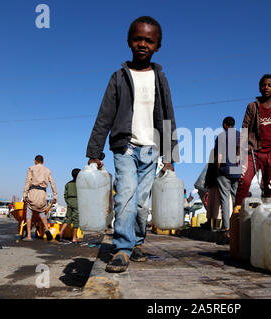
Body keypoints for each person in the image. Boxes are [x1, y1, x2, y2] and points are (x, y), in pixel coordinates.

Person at [85, 16, 179, 273]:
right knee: (125, 195)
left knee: (141, 204)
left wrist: (169, 156)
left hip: (152, 149)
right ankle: (122, 249)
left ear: (157, 46)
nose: (142, 44)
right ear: (129, 41)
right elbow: (104, 115)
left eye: (149, 40)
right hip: (124, 147)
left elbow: (167, 114)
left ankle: (137, 242)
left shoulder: (159, 77)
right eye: (138, 38)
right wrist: (94, 152)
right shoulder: (118, 77)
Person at [235, 74, 271, 207]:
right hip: (253, 152)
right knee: (244, 182)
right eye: (263, 85)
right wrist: (238, 154)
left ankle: (269, 220)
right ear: (259, 88)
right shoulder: (252, 107)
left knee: (270, 188)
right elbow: (244, 130)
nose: (266, 87)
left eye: (270, 85)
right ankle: (237, 219)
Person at [214, 117, 241, 237]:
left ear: (225, 125)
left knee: (225, 199)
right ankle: (238, 226)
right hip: (236, 169)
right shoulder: (240, 136)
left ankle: (227, 228)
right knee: (236, 198)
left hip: (224, 169)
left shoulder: (221, 136)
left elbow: (219, 155)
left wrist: (218, 168)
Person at [22, 155, 57, 241]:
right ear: (43, 162)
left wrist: (25, 194)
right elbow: (52, 183)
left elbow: (28, 181)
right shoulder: (47, 170)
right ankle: (47, 229)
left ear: (35, 161)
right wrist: (55, 195)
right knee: (42, 212)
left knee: (29, 213)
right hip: (42, 193)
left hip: (33, 192)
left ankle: (29, 236)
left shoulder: (31, 168)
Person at [56, 168, 81, 243]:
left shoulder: (68, 184)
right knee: (76, 221)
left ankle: (60, 233)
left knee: (68, 218)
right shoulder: (81, 184)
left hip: (70, 202)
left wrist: (68, 202)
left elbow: (65, 195)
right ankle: (74, 238)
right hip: (77, 202)